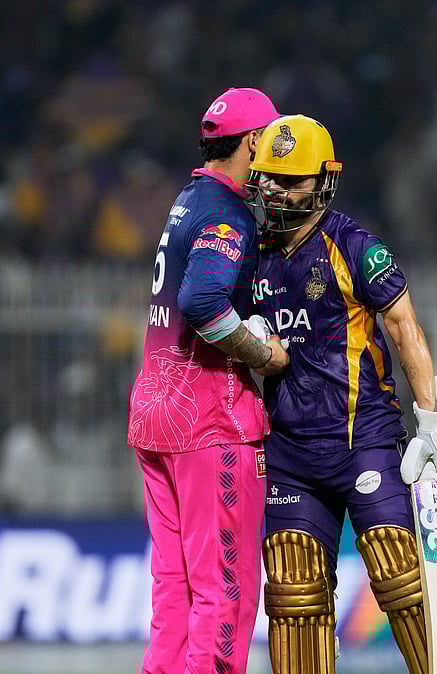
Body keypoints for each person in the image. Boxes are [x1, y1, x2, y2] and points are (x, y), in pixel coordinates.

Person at [242, 114, 437, 674]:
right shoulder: (251, 254)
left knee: (399, 576)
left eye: (290, 180)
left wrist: (432, 422)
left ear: (323, 181)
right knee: (294, 595)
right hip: (289, 452)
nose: (275, 190)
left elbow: (405, 328)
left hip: (360, 439)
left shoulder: (355, 246)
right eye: (268, 177)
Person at [127, 88, 288, 674]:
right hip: (208, 422)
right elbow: (202, 300)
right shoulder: (228, 212)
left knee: (174, 588)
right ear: (250, 143)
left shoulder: (188, 200)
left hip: (156, 413)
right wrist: (263, 356)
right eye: (270, 142)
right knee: (226, 592)